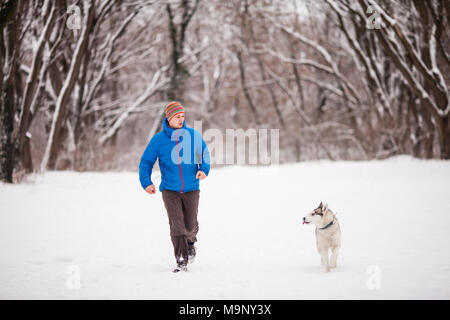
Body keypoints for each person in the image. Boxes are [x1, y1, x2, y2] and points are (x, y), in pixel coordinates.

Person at [139, 101, 210, 272]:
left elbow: (204, 154)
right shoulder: (158, 140)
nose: (181, 119)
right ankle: (181, 261)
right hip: (170, 190)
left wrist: (203, 169)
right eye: (177, 117)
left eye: (183, 116)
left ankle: (190, 242)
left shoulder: (192, 135)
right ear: (169, 118)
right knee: (177, 225)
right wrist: (146, 183)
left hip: (192, 188)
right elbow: (146, 162)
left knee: (189, 225)